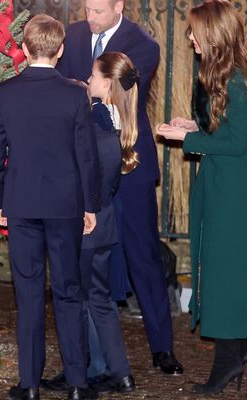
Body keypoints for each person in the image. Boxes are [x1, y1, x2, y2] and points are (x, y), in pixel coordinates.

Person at [56, 0, 183, 376]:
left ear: (119, 7)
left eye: (97, 10)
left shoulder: (143, 45)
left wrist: (79, 86)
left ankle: (162, 346)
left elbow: (114, 90)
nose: (88, 16)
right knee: (82, 260)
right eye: (86, 7)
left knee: (141, 253)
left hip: (130, 164)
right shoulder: (73, 35)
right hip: (82, 165)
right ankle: (89, 359)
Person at [155, 0, 247, 394]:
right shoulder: (220, 70)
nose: (190, 37)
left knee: (226, 270)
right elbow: (224, 128)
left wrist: (187, 137)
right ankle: (236, 353)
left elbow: (238, 142)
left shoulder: (238, 77)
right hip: (223, 177)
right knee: (227, 266)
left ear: (213, 33)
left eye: (195, 31)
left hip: (235, 185)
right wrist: (194, 125)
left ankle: (227, 361)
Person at [0, 14, 101, 400]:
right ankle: (76, 384)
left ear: (23, 48)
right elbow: (86, 156)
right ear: (61, 50)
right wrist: (90, 205)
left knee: (29, 292)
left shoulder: (5, 92)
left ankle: (30, 384)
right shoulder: (74, 93)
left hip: (20, 202)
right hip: (65, 204)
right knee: (68, 291)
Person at [79, 52, 140, 393]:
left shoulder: (98, 119)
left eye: (92, 74)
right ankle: (117, 370)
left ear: (105, 82)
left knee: (83, 299)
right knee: (99, 299)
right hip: (106, 222)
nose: (88, 80)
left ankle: (91, 368)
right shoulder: (119, 119)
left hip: (88, 221)